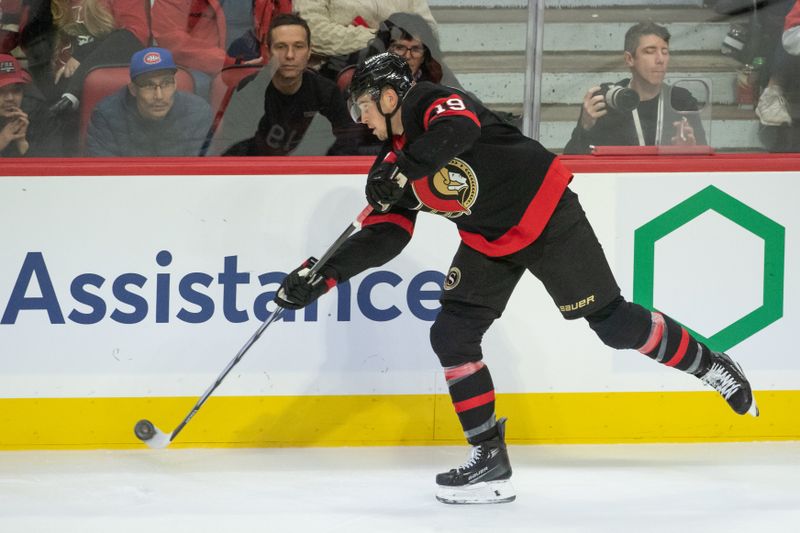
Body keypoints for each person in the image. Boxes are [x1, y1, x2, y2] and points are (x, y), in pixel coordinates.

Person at [272, 53, 759, 505]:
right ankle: (490, 460)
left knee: (612, 326)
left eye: (364, 108)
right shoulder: (389, 167)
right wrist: (320, 278)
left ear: (389, 95)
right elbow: (386, 236)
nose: (364, 123)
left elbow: (457, 131)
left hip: (546, 214)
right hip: (489, 240)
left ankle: (710, 365)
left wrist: (403, 167)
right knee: (452, 334)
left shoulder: (429, 101)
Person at [221, 13, 361, 156]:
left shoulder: (327, 93)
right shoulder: (248, 90)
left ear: (309, 52)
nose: (289, 55)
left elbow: (347, 147)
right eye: (281, 47)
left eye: (298, 46)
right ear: (268, 52)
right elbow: (231, 149)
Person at [564, 21, 707, 154]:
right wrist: (585, 127)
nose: (660, 59)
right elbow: (571, 161)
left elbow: (706, 167)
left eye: (664, 51)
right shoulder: (609, 99)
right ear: (629, 59)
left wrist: (690, 149)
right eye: (650, 51)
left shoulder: (681, 100)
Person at [86, 47, 212, 156]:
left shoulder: (198, 112)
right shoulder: (106, 116)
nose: (159, 96)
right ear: (133, 89)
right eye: (148, 85)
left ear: (175, 85)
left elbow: (201, 174)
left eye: (166, 83)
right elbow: (104, 177)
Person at [293, 0, 438, 79]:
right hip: (335, 74)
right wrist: (379, 38)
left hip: (403, 75)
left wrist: (390, 42)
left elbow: (429, 30)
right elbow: (311, 32)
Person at [0, 52, 59, 156]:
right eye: (0, 91)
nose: (10, 98)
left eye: (16, 91)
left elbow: (53, 166)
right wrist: (2, 140)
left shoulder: (39, 113)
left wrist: (23, 144)